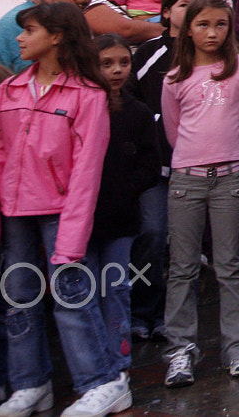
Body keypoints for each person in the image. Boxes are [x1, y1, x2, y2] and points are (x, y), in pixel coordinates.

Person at [0, 1, 131, 417]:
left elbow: (86, 171)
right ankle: (30, 383)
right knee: (18, 296)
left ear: (57, 36)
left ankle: (103, 381)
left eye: (29, 30)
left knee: (71, 295)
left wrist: (72, 236)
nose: (19, 38)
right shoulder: (8, 90)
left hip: (61, 210)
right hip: (16, 210)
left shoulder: (87, 93)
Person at [159, 0, 239, 387]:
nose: (212, 32)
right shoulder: (175, 78)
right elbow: (173, 130)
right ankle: (181, 349)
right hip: (186, 180)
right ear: (188, 29)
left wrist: (230, 149)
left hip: (229, 178)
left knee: (230, 265)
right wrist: (195, 155)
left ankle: (237, 347)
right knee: (183, 268)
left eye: (220, 24)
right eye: (203, 24)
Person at [128, 0, 201, 343]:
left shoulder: (210, 54)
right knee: (152, 234)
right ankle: (144, 310)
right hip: (156, 164)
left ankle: (179, 317)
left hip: (199, 164)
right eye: (183, 4)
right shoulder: (148, 53)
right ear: (167, 11)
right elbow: (132, 101)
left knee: (187, 246)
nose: (189, 12)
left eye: (196, 5)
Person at [89, 34, 159, 370]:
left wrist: (125, 189)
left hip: (122, 213)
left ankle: (118, 357)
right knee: (83, 289)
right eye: (107, 64)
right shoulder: (83, 106)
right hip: (84, 214)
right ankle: (92, 357)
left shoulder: (138, 112)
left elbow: (149, 163)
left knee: (116, 285)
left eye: (123, 63)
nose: (117, 70)